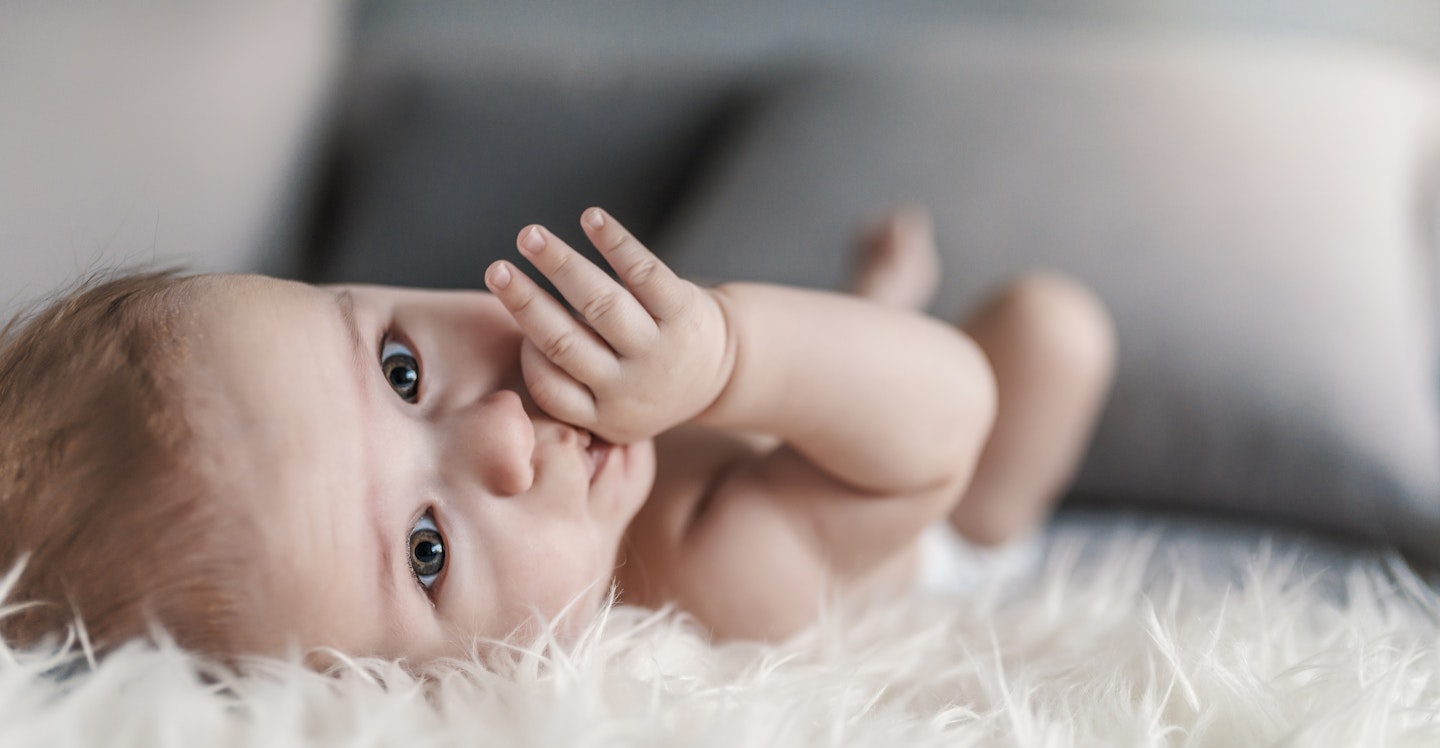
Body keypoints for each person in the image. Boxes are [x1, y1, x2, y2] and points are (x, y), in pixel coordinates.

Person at [0, 206, 1114, 663]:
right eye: (426, 549)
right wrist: (727, 353)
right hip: (918, 523)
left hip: (798, 452)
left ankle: (861, 318)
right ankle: (868, 329)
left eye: (400, 368)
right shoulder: (716, 573)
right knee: (1050, 336)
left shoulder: (562, 465)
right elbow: (949, 420)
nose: (497, 426)